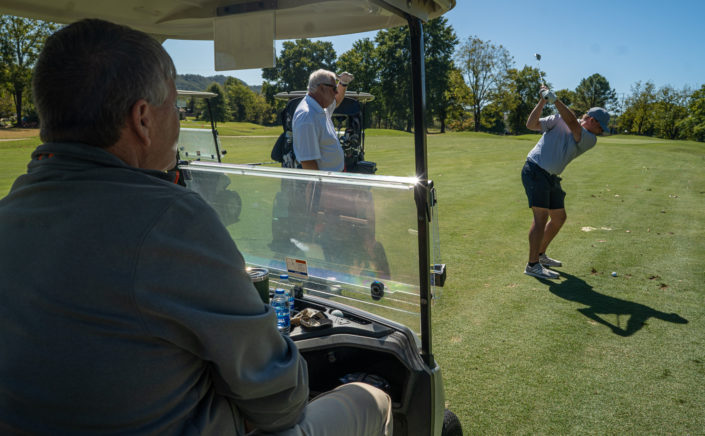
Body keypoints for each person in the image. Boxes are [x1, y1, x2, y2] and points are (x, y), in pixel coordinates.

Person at [0, 19, 391, 435]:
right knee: (371, 400)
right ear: (142, 119)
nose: (179, 119)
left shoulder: (10, 214)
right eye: (176, 107)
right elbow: (282, 399)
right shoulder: (172, 220)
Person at [521, 86, 610, 280]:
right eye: (601, 127)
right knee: (541, 217)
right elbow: (531, 124)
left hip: (551, 177)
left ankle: (540, 254)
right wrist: (543, 101)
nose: (602, 131)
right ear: (592, 120)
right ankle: (532, 265)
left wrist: (555, 100)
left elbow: (573, 124)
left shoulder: (590, 138)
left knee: (559, 217)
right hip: (535, 170)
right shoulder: (558, 118)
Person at [292, 69, 353, 171]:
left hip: (336, 175)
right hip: (327, 180)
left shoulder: (320, 106)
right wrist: (320, 183)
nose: (336, 92)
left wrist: (343, 83)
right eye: (334, 88)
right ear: (321, 88)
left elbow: (337, 100)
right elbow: (308, 162)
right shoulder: (307, 116)